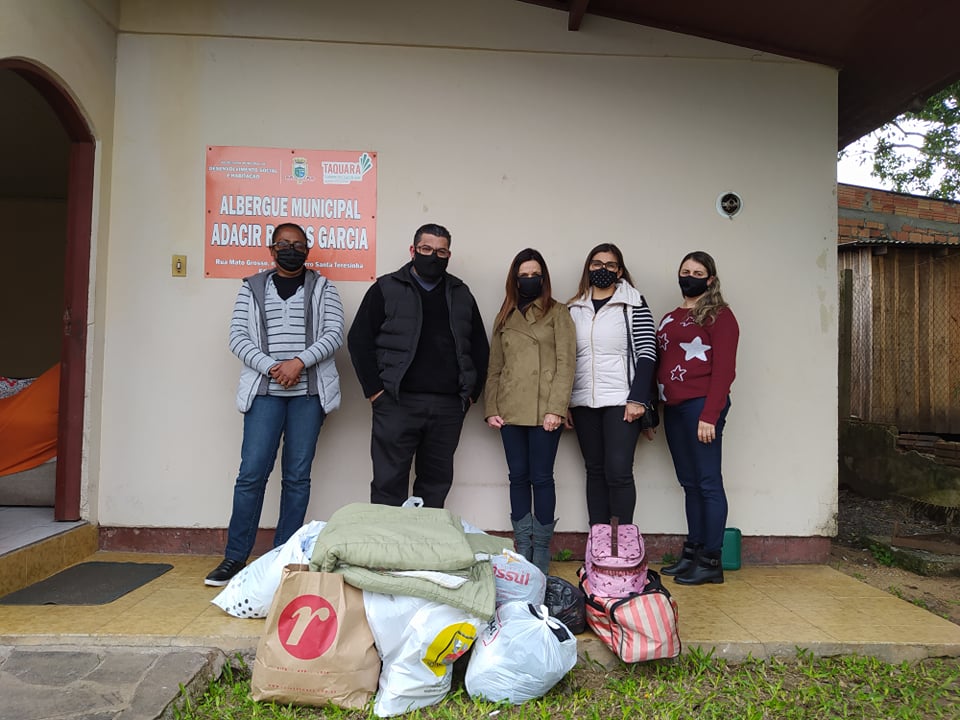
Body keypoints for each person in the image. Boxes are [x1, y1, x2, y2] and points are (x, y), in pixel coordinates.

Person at [205, 223, 344, 587]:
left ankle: (285, 558)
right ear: (271, 249)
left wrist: (298, 363)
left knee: (297, 478)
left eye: (298, 245)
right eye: (284, 244)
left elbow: (334, 334)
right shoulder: (251, 288)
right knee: (251, 475)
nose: (291, 249)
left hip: (308, 395)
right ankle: (235, 558)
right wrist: (272, 367)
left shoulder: (324, 287)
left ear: (308, 250)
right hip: (264, 394)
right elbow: (236, 337)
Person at [347, 223, 489, 508]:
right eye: (426, 249)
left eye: (441, 251)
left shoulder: (461, 293)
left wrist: (470, 394)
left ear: (449, 254)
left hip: (447, 407)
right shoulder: (386, 288)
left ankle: (423, 548)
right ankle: (387, 549)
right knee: (389, 483)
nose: (433, 257)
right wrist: (376, 392)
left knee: (435, 485)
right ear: (413, 251)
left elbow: (479, 347)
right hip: (397, 403)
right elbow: (358, 339)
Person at [484, 249, 576, 574]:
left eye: (535, 273)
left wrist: (556, 408)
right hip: (510, 409)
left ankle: (542, 550)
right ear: (515, 279)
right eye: (523, 274)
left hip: (544, 411)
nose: (529, 279)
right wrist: (491, 407)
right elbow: (495, 366)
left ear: (544, 277)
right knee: (517, 477)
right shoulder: (505, 316)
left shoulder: (558, 313)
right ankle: (523, 546)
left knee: (542, 477)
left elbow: (567, 364)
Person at [657, 251, 739, 585]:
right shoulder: (671, 317)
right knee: (689, 483)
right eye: (685, 271)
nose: (689, 276)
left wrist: (710, 414)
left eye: (697, 272)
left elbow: (724, 370)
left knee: (707, 482)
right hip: (674, 409)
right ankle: (692, 551)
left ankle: (711, 559)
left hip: (701, 407)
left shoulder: (720, 316)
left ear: (711, 279)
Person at [567, 243, 657, 527]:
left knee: (618, 472)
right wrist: (565, 402)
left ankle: (620, 545)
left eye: (609, 265)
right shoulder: (573, 307)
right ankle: (599, 545)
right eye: (596, 264)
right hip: (583, 402)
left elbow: (647, 352)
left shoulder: (633, 303)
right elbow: (568, 358)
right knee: (594, 471)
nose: (602, 270)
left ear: (619, 270)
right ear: (588, 268)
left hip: (621, 401)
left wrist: (638, 398)